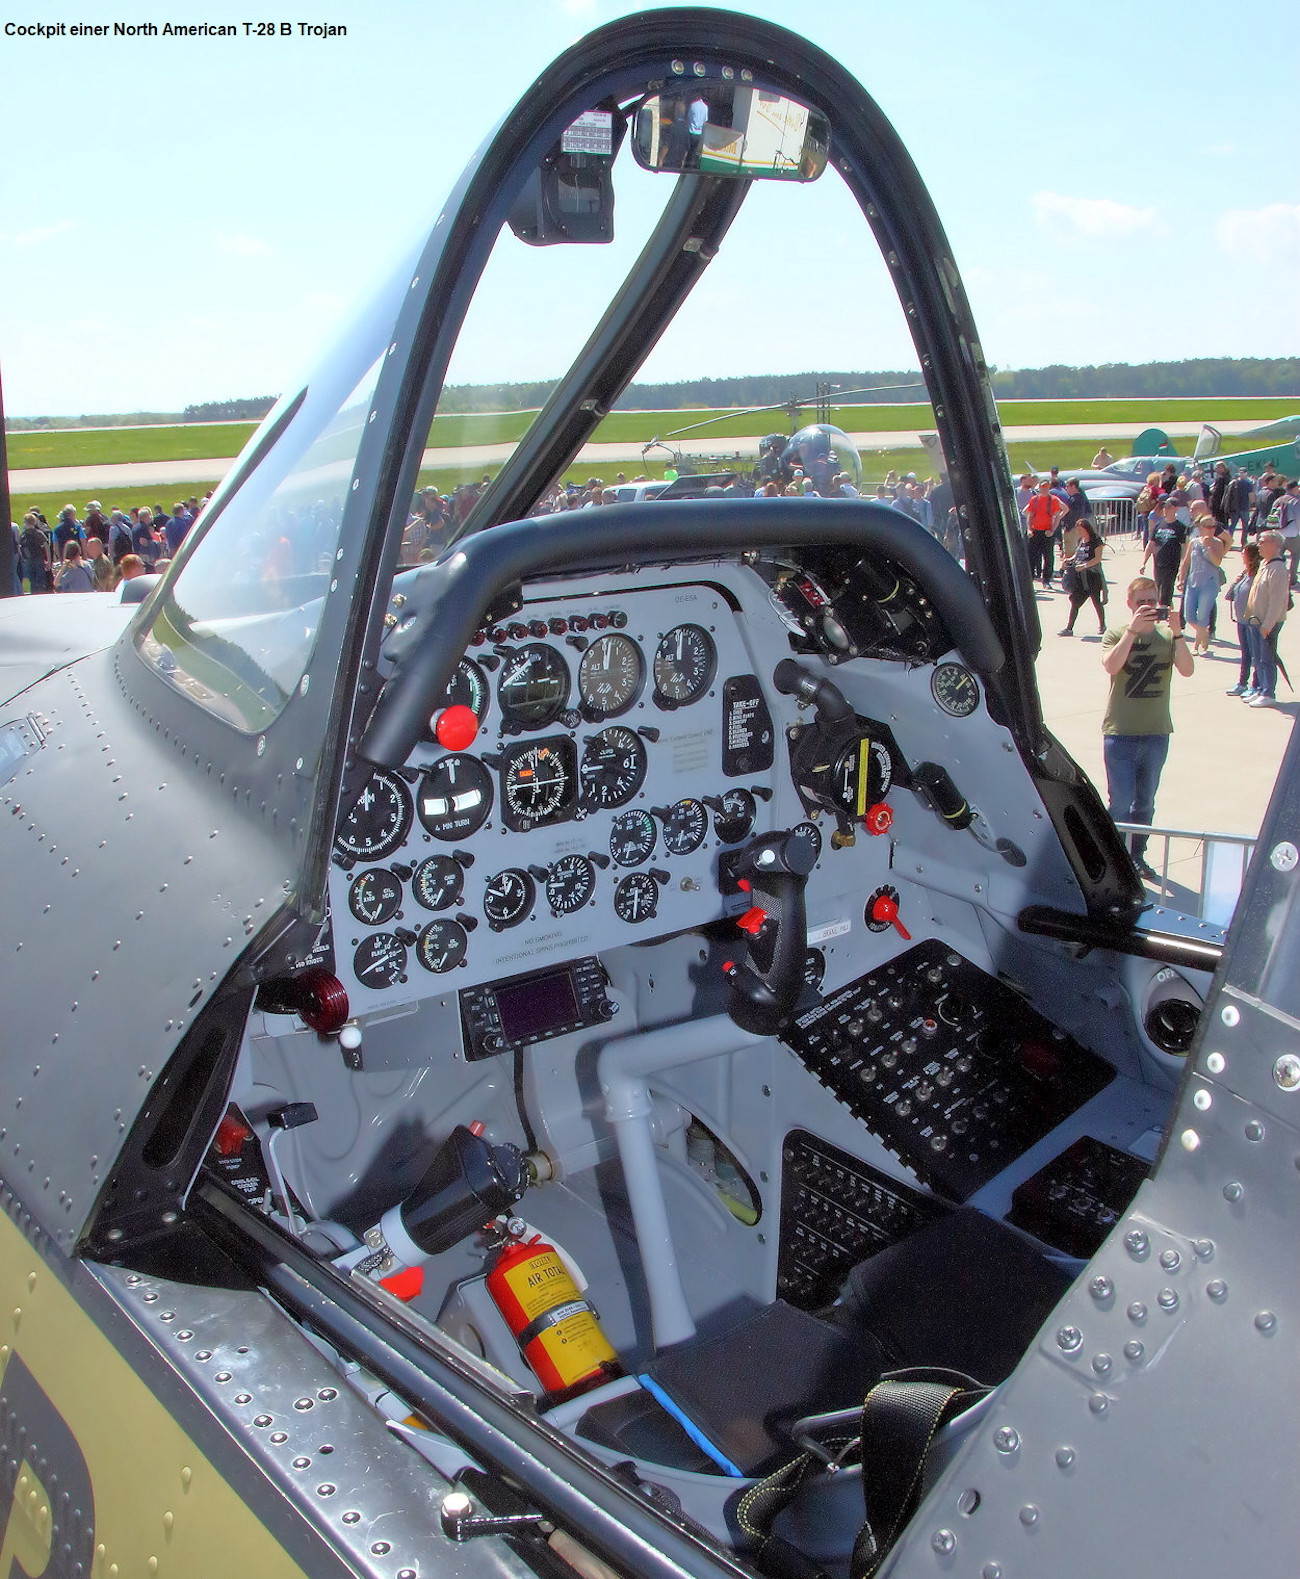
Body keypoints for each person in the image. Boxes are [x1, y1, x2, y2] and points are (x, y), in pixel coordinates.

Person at [1101, 577, 1195, 879]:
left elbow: (1187, 670)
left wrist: (1178, 633)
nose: (1147, 607)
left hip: (1156, 733)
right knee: (1121, 803)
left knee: (1145, 802)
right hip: (1120, 732)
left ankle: (1137, 855)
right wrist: (1132, 632)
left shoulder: (1168, 637)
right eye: (1141, 602)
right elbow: (1111, 665)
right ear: (1129, 604)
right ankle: (1115, 858)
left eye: (1151, 602)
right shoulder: (1116, 633)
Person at [1242, 530, 1289, 708]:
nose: (1259, 544)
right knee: (1257, 657)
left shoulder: (1278, 569)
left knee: (1266, 658)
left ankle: (1269, 692)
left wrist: (1268, 624)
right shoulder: (1264, 564)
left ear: (1275, 544)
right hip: (1256, 619)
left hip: (1268, 622)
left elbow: (1277, 602)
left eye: (1263, 541)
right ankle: (1260, 688)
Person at [1176, 514, 1227, 655]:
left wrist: (1209, 548)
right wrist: (1181, 578)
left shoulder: (1217, 543)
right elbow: (1186, 562)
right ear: (1201, 528)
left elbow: (1217, 562)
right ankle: (1203, 634)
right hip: (1193, 581)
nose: (1211, 530)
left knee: (1203, 615)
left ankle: (1196, 646)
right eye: (1208, 527)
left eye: (1213, 527)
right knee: (1189, 616)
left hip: (1209, 582)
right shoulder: (1194, 542)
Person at [1224, 542, 1261, 698]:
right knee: (1246, 654)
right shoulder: (1245, 574)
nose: (1242, 556)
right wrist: (1236, 581)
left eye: (1244, 553)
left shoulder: (1259, 576)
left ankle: (1256, 685)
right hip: (1241, 620)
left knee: (1256, 654)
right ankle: (1242, 683)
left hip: (1253, 621)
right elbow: (1229, 596)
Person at [1058, 517, 1106, 635]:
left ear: (1086, 529)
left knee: (1096, 602)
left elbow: (1097, 559)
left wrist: (1085, 565)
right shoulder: (1081, 540)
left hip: (1092, 576)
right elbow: (1077, 554)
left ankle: (1102, 625)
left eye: (1080, 530)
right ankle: (1069, 628)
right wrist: (1069, 560)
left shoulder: (1096, 540)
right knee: (1075, 603)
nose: (1079, 532)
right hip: (1080, 578)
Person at [1142, 499, 1188, 607]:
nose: (1165, 510)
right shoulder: (1158, 525)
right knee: (1158, 589)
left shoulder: (1180, 527)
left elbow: (1185, 548)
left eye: (1168, 507)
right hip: (1158, 562)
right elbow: (1151, 544)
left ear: (1175, 508)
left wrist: (1183, 566)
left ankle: (1163, 615)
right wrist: (1143, 562)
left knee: (1166, 591)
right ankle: (1169, 612)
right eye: (1164, 507)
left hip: (1171, 563)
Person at [1023, 479, 1066, 587]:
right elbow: (1030, 515)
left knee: (1048, 556)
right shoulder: (1034, 499)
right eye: (1042, 487)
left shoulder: (1054, 500)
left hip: (1047, 532)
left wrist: (1052, 530)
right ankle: (1030, 579)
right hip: (1035, 531)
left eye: (1046, 488)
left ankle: (1046, 580)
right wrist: (1029, 529)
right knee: (1031, 556)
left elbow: (1056, 516)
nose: (1044, 490)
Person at [1275, 479, 1300, 588]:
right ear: (1294, 488)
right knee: (1295, 555)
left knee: (1277, 556)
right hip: (1292, 533)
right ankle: (1292, 579)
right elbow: (1298, 518)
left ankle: (1276, 576)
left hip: (1279, 533)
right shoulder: (1296, 501)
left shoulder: (1279, 500)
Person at [20, 511, 51, 593]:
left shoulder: (24, 535)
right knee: (39, 580)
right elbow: (46, 547)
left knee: (33, 581)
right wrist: (48, 560)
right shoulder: (39, 533)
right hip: (38, 559)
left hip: (30, 560)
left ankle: (35, 594)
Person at [1226, 468, 1255, 547]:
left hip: (1234, 507)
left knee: (1233, 525)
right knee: (1245, 526)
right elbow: (1251, 495)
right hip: (1244, 507)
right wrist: (1253, 504)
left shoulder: (1234, 483)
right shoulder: (1248, 483)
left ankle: (1228, 542)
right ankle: (1244, 542)